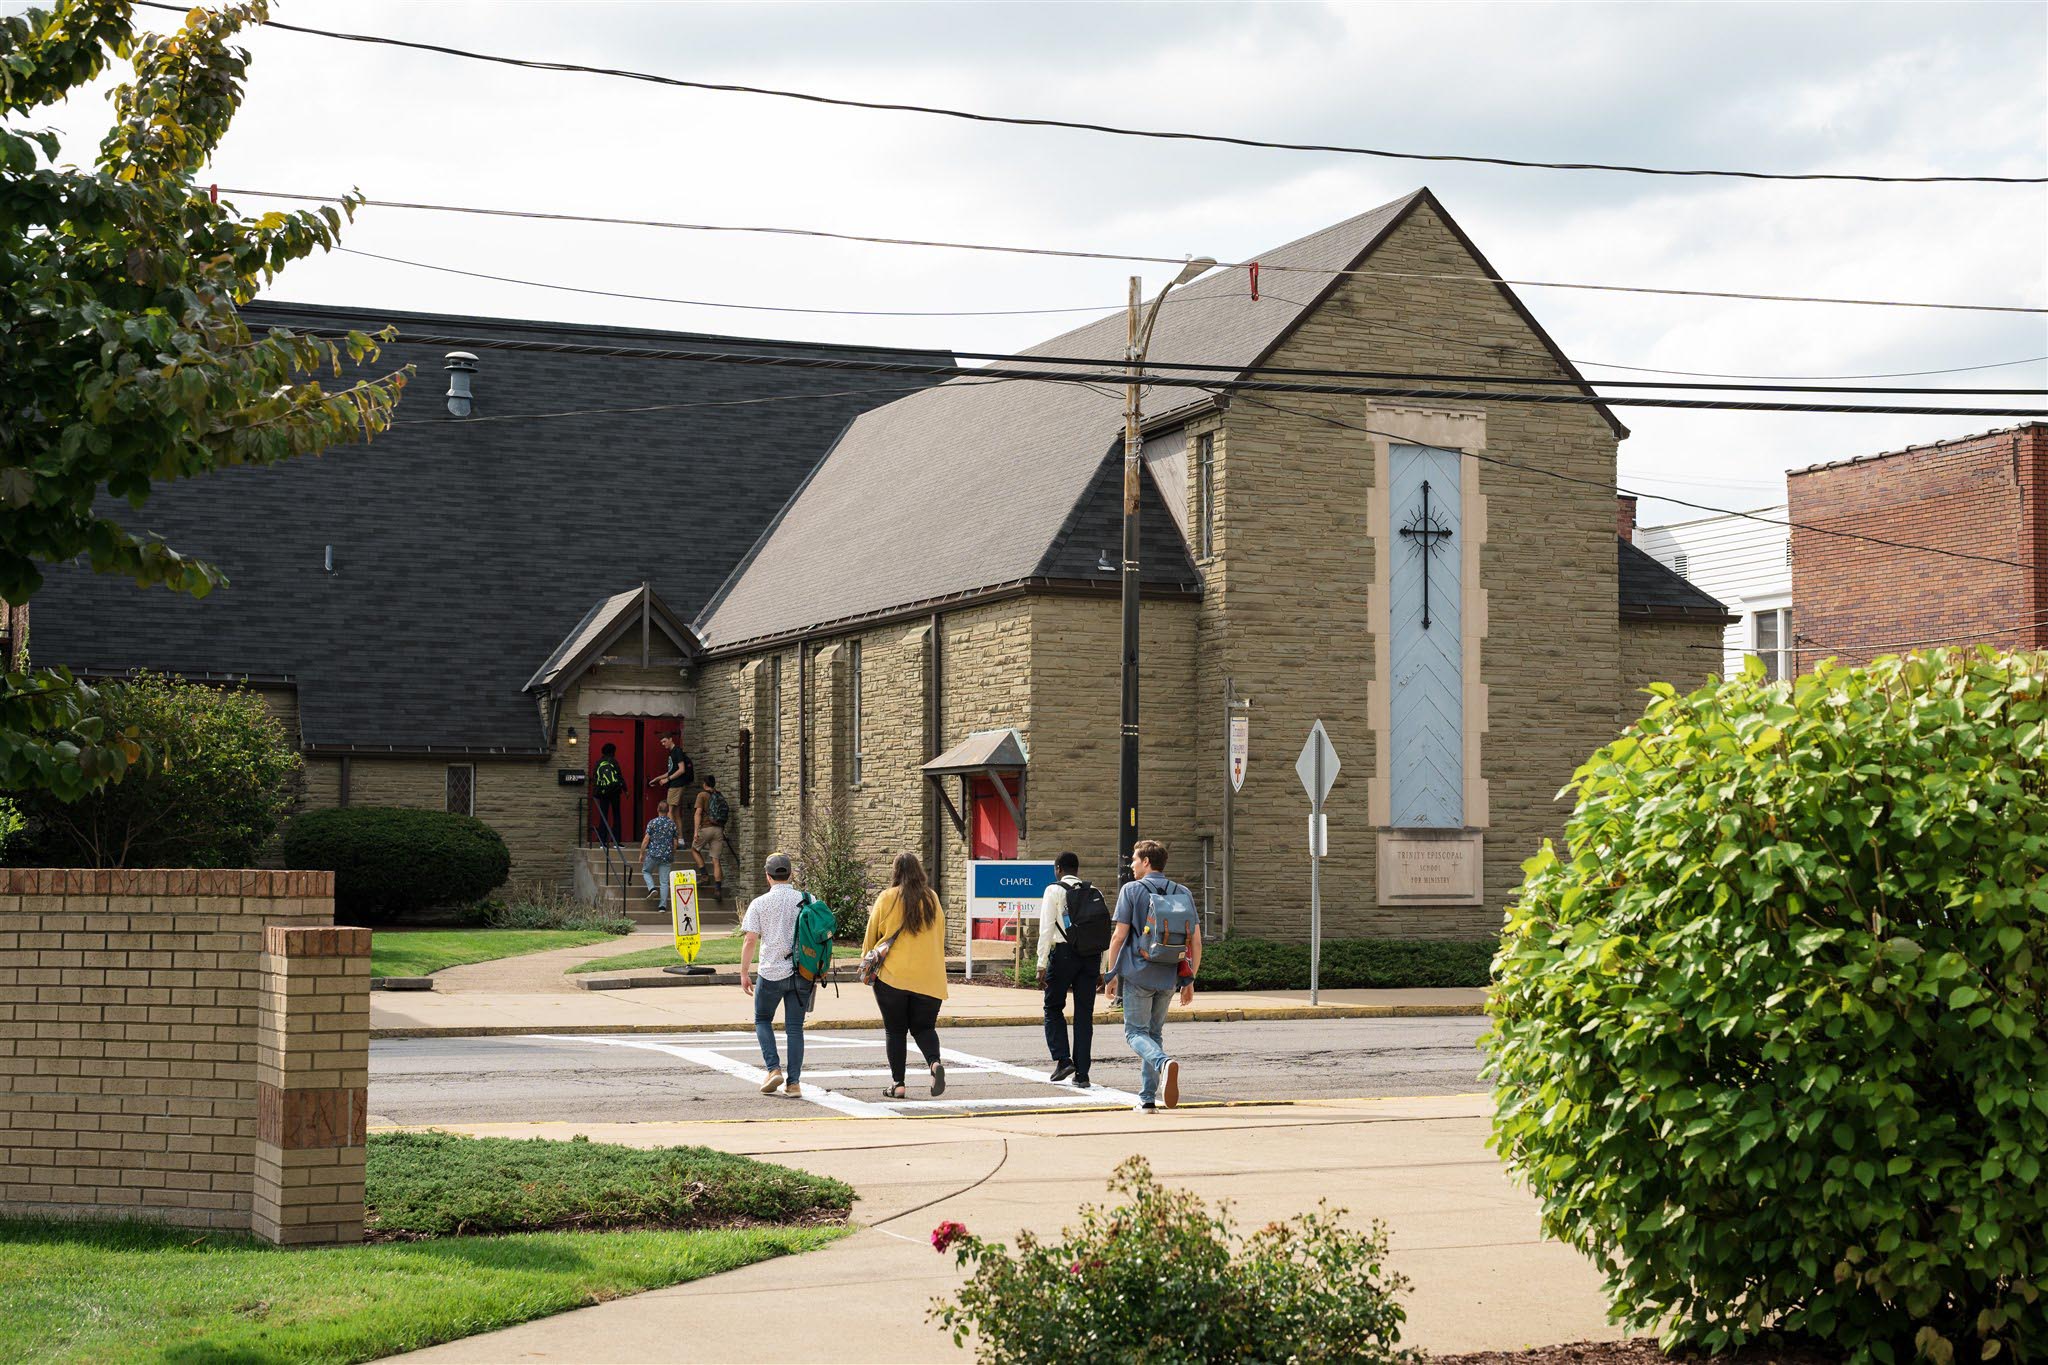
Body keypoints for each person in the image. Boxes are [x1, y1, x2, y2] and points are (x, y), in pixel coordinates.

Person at [1102, 839, 1202, 1112]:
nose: (1131, 864)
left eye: (1134, 859)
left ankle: (1163, 1064)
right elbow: (1195, 941)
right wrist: (1190, 979)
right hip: (1169, 974)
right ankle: (1147, 1099)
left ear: (1146, 862)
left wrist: (1110, 975)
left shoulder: (1131, 890)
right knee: (1154, 1034)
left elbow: (1118, 936)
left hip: (1138, 974)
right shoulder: (1182, 892)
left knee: (1135, 1033)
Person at [860, 852, 949, 1099]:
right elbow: (940, 936)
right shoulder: (932, 898)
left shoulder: (887, 897)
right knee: (924, 1028)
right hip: (929, 978)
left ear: (896, 872)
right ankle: (934, 1064)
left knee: (895, 1031)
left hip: (893, 977)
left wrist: (865, 961)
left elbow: (871, 935)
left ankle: (898, 1084)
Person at [740, 852, 808, 1099]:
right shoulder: (807, 899)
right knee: (795, 1028)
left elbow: (750, 940)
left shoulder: (759, 903)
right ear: (790, 874)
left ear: (767, 876)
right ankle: (795, 1083)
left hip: (770, 973)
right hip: (801, 973)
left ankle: (773, 1068)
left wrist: (744, 972)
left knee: (762, 1020)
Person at [1037, 851, 1107, 1086]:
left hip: (1064, 955)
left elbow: (1046, 929)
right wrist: (1102, 968)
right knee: (1084, 1015)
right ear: (1077, 869)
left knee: (1053, 1006)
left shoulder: (1053, 890)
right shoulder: (1094, 891)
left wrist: (1041, 963)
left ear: (1058, 868)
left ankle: (1063, 1059)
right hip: (1090, 957)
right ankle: (1083, 1074)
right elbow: (1102, 931)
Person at [691, 773, 728, 893]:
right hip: (718, 830)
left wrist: (696, 831)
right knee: (716, 860)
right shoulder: (719, 795)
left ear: (704, 784)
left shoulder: (702, 795)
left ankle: (704, 875)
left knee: (695, 849)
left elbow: (698, 813)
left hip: (706, 828)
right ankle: (718, 889)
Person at [649, 731, 694, 820]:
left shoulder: (677, 751)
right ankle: (679, 834)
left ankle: (671, 833)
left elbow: (681, 769)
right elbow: (671, 771)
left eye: (664, 741)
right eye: (661, 742)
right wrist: (657, 778)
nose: (663, 744)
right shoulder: (672, 752)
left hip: (676, 785)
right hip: (676, 784)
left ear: (670, 739)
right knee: (676, 813)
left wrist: (667, 779)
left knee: (670, 811)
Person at [639, 805, 679, 903]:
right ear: (668, 811)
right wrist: (672, 853)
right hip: (667, 855)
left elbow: (646, 840)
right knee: (664, 882)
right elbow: (675, 843)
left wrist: (641, 853)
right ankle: (662, 906)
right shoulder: (672, 824)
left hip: (653, 854)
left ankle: (652, 889)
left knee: (646, 871)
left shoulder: (653, 822)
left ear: (657, 810)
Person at [591, 742, 625, 849]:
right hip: (615, 792)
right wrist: (625, 790)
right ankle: (616, 841)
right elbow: (619, 777)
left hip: (603, 793)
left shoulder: (598, 762)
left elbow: (595, 778)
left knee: (603, 816)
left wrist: (597, 791)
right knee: (616, 816)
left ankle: (602, 842)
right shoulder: (613, 762)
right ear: (613, 752)